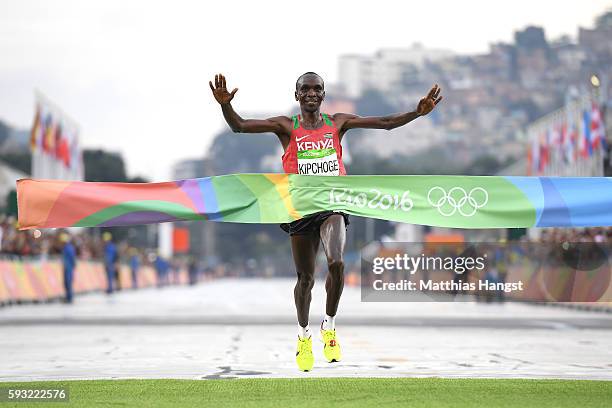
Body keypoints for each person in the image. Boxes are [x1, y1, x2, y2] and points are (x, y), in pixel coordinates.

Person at [210, 72, 442, 371]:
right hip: (301, 209)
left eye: (317, 89)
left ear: (323, 94)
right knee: (305, 279)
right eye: (305, 89)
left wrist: (416, 112)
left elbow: (384, 123)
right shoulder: (285, 126)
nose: (311, 93)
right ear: (297, 95)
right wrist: (225, 106)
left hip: (333, 203)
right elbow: (240, 126)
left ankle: (329, 326)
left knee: (336, 262)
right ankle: (303, 335)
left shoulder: (338, 122)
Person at [61, 232, 76, 303]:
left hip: (68, 268)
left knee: (68, 282)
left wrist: (73, 265)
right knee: (66, 283)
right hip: (66, 267)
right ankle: (68, 297)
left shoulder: (68, 248)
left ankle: (69, 297)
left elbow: (72, 258)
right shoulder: (66, 247)